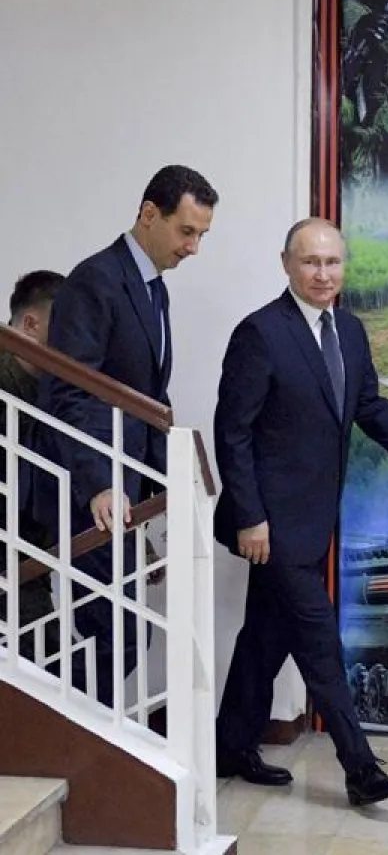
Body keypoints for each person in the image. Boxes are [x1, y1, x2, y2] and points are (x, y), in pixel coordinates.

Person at [213, 217, 388, 807]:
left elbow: (366, 403)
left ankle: (228, 747)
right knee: (320, 645)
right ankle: (360, 767)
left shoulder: (349, 328)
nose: (323, 274)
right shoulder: (260, 333)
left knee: (264, 641)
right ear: (287, 264)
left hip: (314, 519)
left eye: (333, 263)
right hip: (269, 526)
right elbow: (232, 432)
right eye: (311, 262)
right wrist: (249, 518)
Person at [37, 165, 218, 707]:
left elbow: (149, 405)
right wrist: (98, 484)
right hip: (90, 494)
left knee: (120, 636)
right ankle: (72, 744)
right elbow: (71, 393)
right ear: (148, 215)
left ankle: (81, 742)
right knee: (116, 636)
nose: (193, 248)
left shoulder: (153, 290)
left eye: (202, 235)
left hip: (125, 494)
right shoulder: (95, 280)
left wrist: (166, 504)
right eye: (187, 231)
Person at [0, 270, 66, 668]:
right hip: (11, 551)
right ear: (30, 324)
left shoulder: (51, 390)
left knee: (48, 658)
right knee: (49, 662)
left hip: (27, 548)